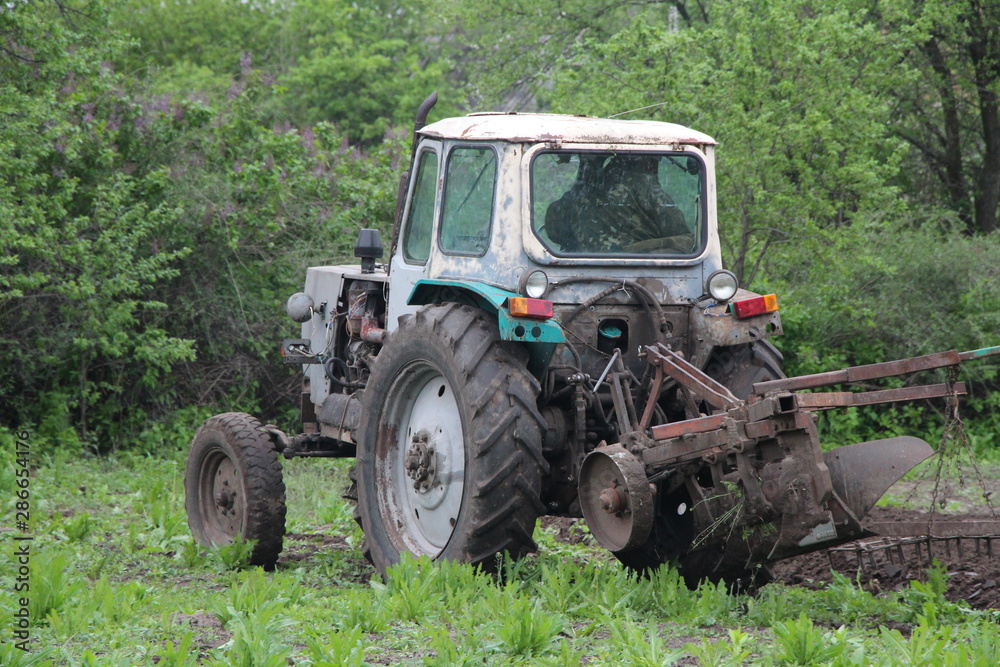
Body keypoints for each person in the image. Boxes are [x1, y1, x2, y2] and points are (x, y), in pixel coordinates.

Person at [545, 154, 694, 254]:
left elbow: (554, 230)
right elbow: (684, 239)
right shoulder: (648, 190)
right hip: (639, 275)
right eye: (654, 160)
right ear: (643, 160)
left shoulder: (583, 191)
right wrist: (633, 252)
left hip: (582, 271)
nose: (654, 166)